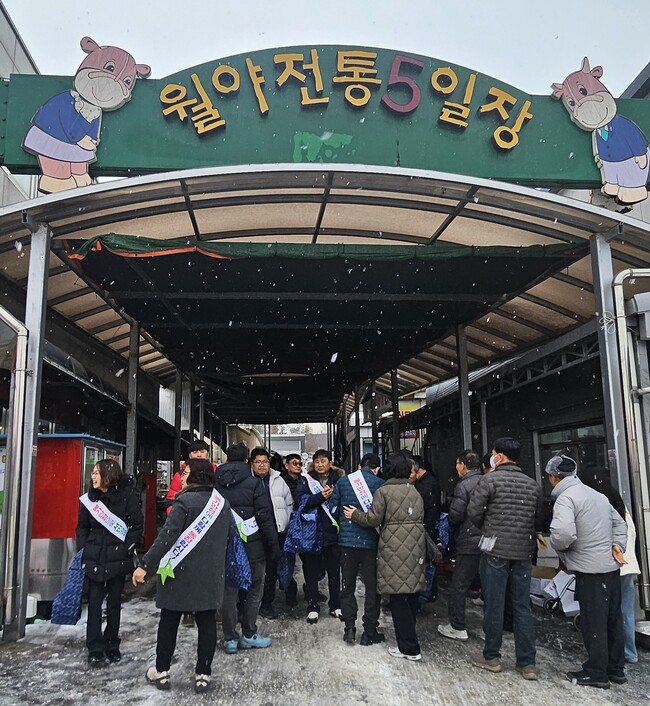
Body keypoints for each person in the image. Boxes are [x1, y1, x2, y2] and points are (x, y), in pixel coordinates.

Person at [132, 459, 231, 694]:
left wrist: (145, 565)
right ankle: (203, 674)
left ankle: (162, 671)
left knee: (169, 621)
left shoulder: (184, 502)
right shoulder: (222, 503)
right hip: (209, 574)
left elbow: (167, 537)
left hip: (178, 573)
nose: (182, 476)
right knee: (206, 622)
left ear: (195, 475)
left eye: (186, 472)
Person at [546, 455, 628, 689]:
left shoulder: (566, 498)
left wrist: (560, 549)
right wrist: (617, 546)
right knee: (612, 619)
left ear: (554, 478)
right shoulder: (597, 495)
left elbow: (562, 533)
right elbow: (620, 524)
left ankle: (596, 672)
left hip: (590, 570)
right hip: (610, 568)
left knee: (594, 621)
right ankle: (616, 669)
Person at [467, 437, 543, 681]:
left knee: (494, 603)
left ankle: (492, 656)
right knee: (522, 606)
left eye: (493, 453)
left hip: (494, 550)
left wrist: (490, 527)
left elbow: (473, 512)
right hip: (523, 552)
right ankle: (527, 663)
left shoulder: (489, 480)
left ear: (499, 456)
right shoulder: (532, 484)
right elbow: (538, 519)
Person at [344, 451, 425, 661]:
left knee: (398, 598)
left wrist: (355, 515)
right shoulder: (414, 490)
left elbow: (373, 519)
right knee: (410, 594)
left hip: (394, 548)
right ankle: (410, 640)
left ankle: (409, 647)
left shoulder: (384, 491)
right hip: (414, 547)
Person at [76, 458, 143, 667]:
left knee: (114, 604)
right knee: (94, 603)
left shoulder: (126, 497)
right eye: (93, 473)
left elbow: (137, 525)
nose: (93, 476)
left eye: (97, 473)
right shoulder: (89, 500)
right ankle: (94, 647)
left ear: (108, 475)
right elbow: (82, 527)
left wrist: (126, 547)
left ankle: (112, 643)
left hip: (118, 558)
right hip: (95, 557)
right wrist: (84, 548)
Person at [214, 442, 279, 653]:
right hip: (253, 547)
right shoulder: (254, 484)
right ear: (246, 460)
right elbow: (264, 517)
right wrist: (273, 545)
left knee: (229, 593)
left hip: (225, 547)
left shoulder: (216, 484)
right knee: (254, 589)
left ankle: (230, 638)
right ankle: (249, 634)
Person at [329, 452, 384, 645]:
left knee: (348, 586)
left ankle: (349, 628)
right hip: (371, 545)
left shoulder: (343, 482)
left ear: (360, 466)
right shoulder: (381, 484)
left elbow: (333, 510)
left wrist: (344, 523)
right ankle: (369, 631)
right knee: (372, 588)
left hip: (347, 544)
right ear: (377, 469)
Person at [438, 449, 482, 641]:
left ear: (463, 465)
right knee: (489, 583)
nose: (456, 467)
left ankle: (457, 626)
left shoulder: (463, 485)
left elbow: (455, 515)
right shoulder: (487, 480)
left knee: (459, 584)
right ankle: (493, 626)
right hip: (488, 540)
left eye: (457, 463)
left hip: (469, 540)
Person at [297, 448, 342, 624]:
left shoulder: (339, 480)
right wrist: (319, 497)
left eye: (323, 461)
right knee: (311, 572)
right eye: (317, 461)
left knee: (334, 572)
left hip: (333, 533)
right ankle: (312, 607)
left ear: (330, 463)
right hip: (312, 533)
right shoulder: (306, 480)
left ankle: (335, 605)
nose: (320, 464)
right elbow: (300, 500)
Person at [249, 446, 293, 619]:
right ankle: (249, 604)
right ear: (251, 464)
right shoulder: (247, 481)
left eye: (265, 462)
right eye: (258, 462)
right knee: (254, 571)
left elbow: (289, 503)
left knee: (272, 570)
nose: (262, 465)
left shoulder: (278, 480)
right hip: (253, 534)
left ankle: (267, 603)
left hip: (276, 532)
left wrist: (284, 524)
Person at [411, 454, 441, 606]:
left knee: (427, 563)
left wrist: (426, 529)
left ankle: (425, 595)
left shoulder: (426, 485)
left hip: (426, 528)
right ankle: (429, 593)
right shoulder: (428, 482)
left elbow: (429, 510)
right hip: (428, 527)